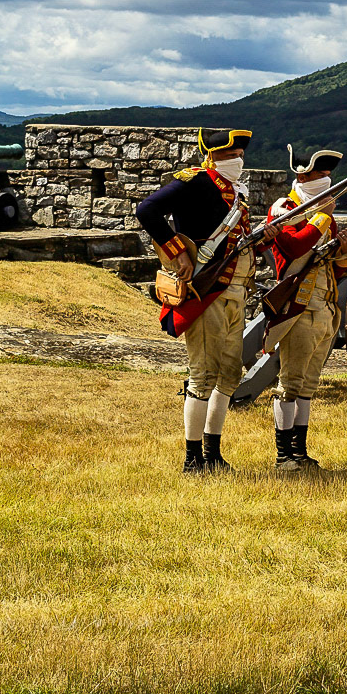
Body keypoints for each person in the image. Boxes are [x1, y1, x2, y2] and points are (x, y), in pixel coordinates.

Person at [136, 128, 278, 474]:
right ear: (212, 156)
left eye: (240, 155)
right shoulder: (196, 181)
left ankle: (212, 452)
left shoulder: (236, 193)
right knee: (203, 375)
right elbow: (147, 210)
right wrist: (177, 254)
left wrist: (262, 241)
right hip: (206, 294)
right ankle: (192, 458)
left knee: (228, 374)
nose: (237, 160)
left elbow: (235, 247)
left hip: (235, 294)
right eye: (230, 155)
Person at [264, 145, 347, 473]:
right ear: (303, 174)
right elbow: (294, 245)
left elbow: (337, 268)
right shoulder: (285, 207)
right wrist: (323, 215)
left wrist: (346, 248)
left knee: (309, 385)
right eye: (321, 173)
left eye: (328, 174)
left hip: (326, 307)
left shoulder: (321, 212)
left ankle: (299, 452)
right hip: (298, 307)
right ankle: (283, 454)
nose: (327, 178)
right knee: (290, 383)